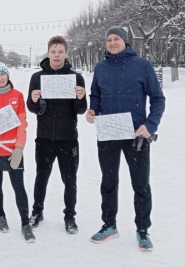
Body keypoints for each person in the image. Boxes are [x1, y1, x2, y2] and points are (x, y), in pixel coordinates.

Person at [86, 26, 165, 251]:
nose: (112, 43)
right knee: (108, 182)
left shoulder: (142, 66)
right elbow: (95, 95)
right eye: (108, 39)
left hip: (135, 135)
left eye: (116, 39)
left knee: (140, 184)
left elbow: (158, 99)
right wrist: (93, 111)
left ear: (125, 41)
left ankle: (142, 229)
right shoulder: (100, 67)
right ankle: (109, 225)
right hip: (108, 133)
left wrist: (149, 126)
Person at [26, 36, 87, 234]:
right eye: (53, 51)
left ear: (66, 54)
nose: (57, 55)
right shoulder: (37, 78)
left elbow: (81, 110)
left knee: (70, 179)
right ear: (48, 53)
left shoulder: (76, 77)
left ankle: (70, 216)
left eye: (61, 51)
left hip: (68, 138)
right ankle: (37, 211)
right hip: (44, 138)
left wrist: (80, 98)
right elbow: (32, 108)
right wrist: (34, 100)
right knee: (41, 177)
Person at [0, 62, 35, 242]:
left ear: (8, 75)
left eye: (2, 74)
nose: (0, 78)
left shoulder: (17, 95)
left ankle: (25, 224)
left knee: (18, 186)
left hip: (13, 148)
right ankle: (1, 216)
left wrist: (19, 146)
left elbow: (22, 123)